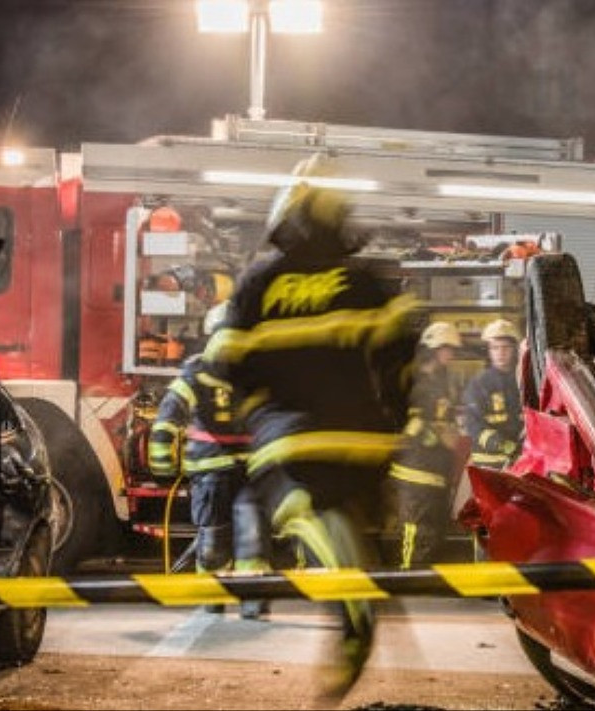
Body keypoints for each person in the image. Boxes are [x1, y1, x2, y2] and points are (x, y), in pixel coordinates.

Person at [203, 154, 418, 698]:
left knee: (291, 503)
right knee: (353, 519)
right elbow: (403, 362)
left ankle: (344, 581)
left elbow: (224, 360)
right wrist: (396, 423)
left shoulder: (259, 282)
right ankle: (353, 614)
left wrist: (256, 405)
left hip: (293, 439)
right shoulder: (367, 282)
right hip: (367, 438)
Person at [148, 302, 252, 611]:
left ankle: (213, 602)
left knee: (214, 536)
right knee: (247, 535)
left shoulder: (196, 370)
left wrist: (163, 468)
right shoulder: (256, 370)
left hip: (211, 472)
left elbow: (168, 417)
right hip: (246, 471)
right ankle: (247, 602)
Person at [388, 320, 462, 570]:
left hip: (437, 469)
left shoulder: (444, 382)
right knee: (415, 526)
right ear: (431, 348)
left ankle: (427, 575)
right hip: (415, 469)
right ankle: (409, 574)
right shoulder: (415, 379)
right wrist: (437, 436)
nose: (449, 354)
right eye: (445, 348)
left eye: (452, 349)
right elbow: (408, 422)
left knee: (434, 527)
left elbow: (445, 419)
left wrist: (450, 432)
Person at [462, 318, 523, 469]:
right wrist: (497, 443)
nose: (500, 353)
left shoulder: (522, 380)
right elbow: (471, 422)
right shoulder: (479, 383)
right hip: (487, 462)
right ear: (489, 351)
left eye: (505, 348)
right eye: (495, 348)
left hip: (520, 460)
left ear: (514, 349)